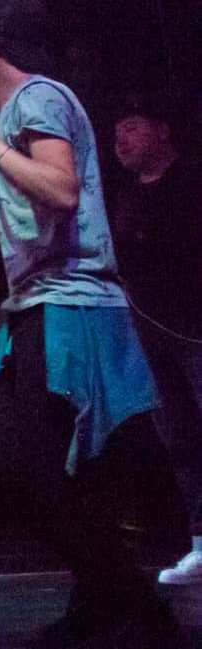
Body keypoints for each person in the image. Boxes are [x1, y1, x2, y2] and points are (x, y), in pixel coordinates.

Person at [0, 1, 178, 645]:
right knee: (18, 465)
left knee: (24, 466)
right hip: (38, 302)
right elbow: (22, 220)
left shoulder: (37, 97)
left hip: (70, 304)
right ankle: (111, 601)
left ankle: (131, 604)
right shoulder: (17, 112)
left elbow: (63, 190)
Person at [108, 100, 202, 586]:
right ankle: (200, 543)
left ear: (161, 130)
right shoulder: (124, 198)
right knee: (180, 438)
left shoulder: (191, 181)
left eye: (131, 126)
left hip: (195, 328)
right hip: (152, 336)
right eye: (116, 131)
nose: (120, 139)